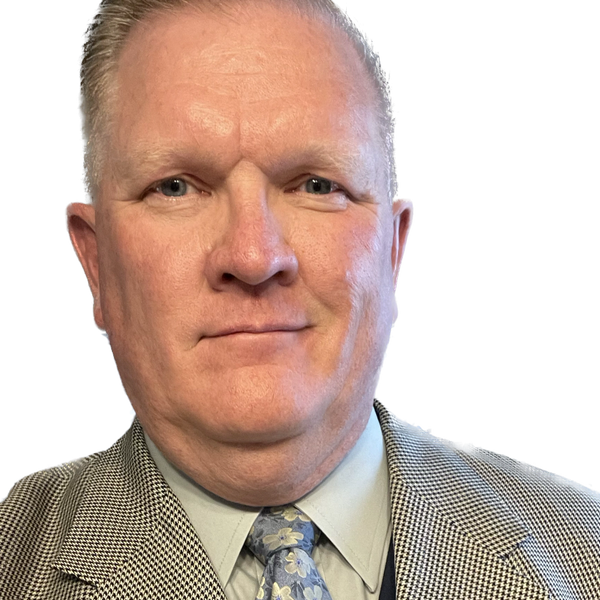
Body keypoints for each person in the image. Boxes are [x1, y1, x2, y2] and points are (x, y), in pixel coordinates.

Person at [1, 0, 598, 598]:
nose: (253, 257)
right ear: (96, 263)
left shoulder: (586, 544)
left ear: (393, 251)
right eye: (175, 187)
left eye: (317, 185)